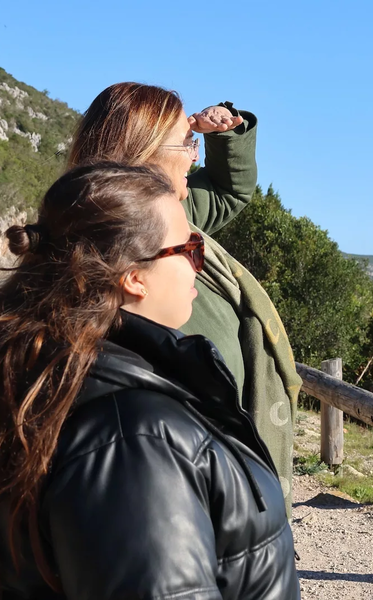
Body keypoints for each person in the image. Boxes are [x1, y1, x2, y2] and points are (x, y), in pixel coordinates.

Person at [0, 163, 299, 600]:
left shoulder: (56, 368)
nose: (197, 267)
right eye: (189, 249)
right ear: (134, 277)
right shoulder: (133, 439)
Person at [67, 82, 301, 514]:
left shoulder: (171, 215)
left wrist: (215, 131)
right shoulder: (119, 242)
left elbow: (232, 191)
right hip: (190, 496)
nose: (195, 154)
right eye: (188, 144)